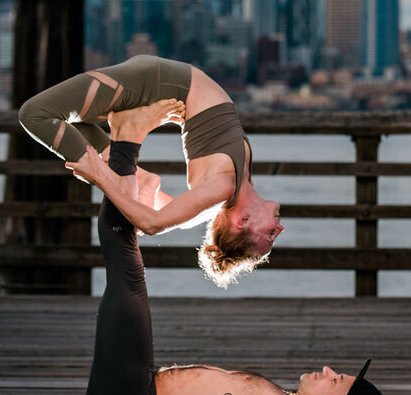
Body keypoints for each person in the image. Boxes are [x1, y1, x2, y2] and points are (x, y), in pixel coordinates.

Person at [83, 104, 383, 395]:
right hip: (136, 394)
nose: (328, 370)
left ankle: (118, 150)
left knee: (126, 271)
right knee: (125, 267)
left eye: (337, 380)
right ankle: (118, 157)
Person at [17, 54, 283, 288]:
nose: (279, 229)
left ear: (242, 222)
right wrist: (128, 190)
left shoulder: (223, 188)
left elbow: (154, 222)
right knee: (50, 117)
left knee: (35, 114)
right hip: (159, 82)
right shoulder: (234, 188)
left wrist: (108, 180)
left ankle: (115, 171)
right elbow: (159, 221)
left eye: (270, 233)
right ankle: (115, 171)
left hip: (156, 84)